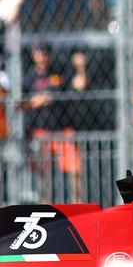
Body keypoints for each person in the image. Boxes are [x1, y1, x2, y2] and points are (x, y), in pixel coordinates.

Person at [19, 41, 83, 204]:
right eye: (39, 51)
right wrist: (36, 102)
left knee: (75, 170)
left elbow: (79, 84)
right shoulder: (29, 77)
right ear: (33, 54)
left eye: (45, 51)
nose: (43, 55)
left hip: (62, 129)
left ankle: (78, 206)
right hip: (42, 131)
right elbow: (20, 104)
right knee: (43, 174)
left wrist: (80, 67)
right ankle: (46, 207)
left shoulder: (58, 72)